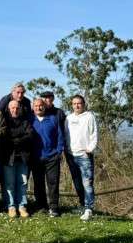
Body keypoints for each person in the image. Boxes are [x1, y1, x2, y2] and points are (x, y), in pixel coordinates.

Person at [30, 90, 66, 217]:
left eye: (41, 105)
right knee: (38, 183)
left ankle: (54, 207)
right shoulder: (30, 120)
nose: (39, 108)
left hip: (52, 157)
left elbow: (60, 136)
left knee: (53, 182)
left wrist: (59, 151)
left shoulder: (53, 119)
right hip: (36, 157)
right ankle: (41, 206)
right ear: (33, 108)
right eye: (36, 106)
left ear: (44, 106)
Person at [65, 92, 98, 220]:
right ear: (72, 105)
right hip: (71, 155)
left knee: (87, 183)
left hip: (84, 155)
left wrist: (90, 148)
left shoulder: (89, 116)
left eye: (79, 103)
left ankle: (89, 209)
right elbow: (66, 134)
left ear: (84, 104)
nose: (77, 106)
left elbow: (94, 133)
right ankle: (82, 206)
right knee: (77, 183)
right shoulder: (68, 118)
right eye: (74, 104)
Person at [1, 95, 34, 219]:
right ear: (8, 109)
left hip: (23, 157)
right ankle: (11, 206)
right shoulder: (4, 121)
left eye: (17, 108)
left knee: (23, 183)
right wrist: (19, 138)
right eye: (12, 108)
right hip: (9, 157)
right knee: (9, 183)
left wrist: (17, 140)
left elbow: (30, 136)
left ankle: (22, 206)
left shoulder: (25, 121)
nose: (15, 110)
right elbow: (5, 138)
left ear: (20, 109)